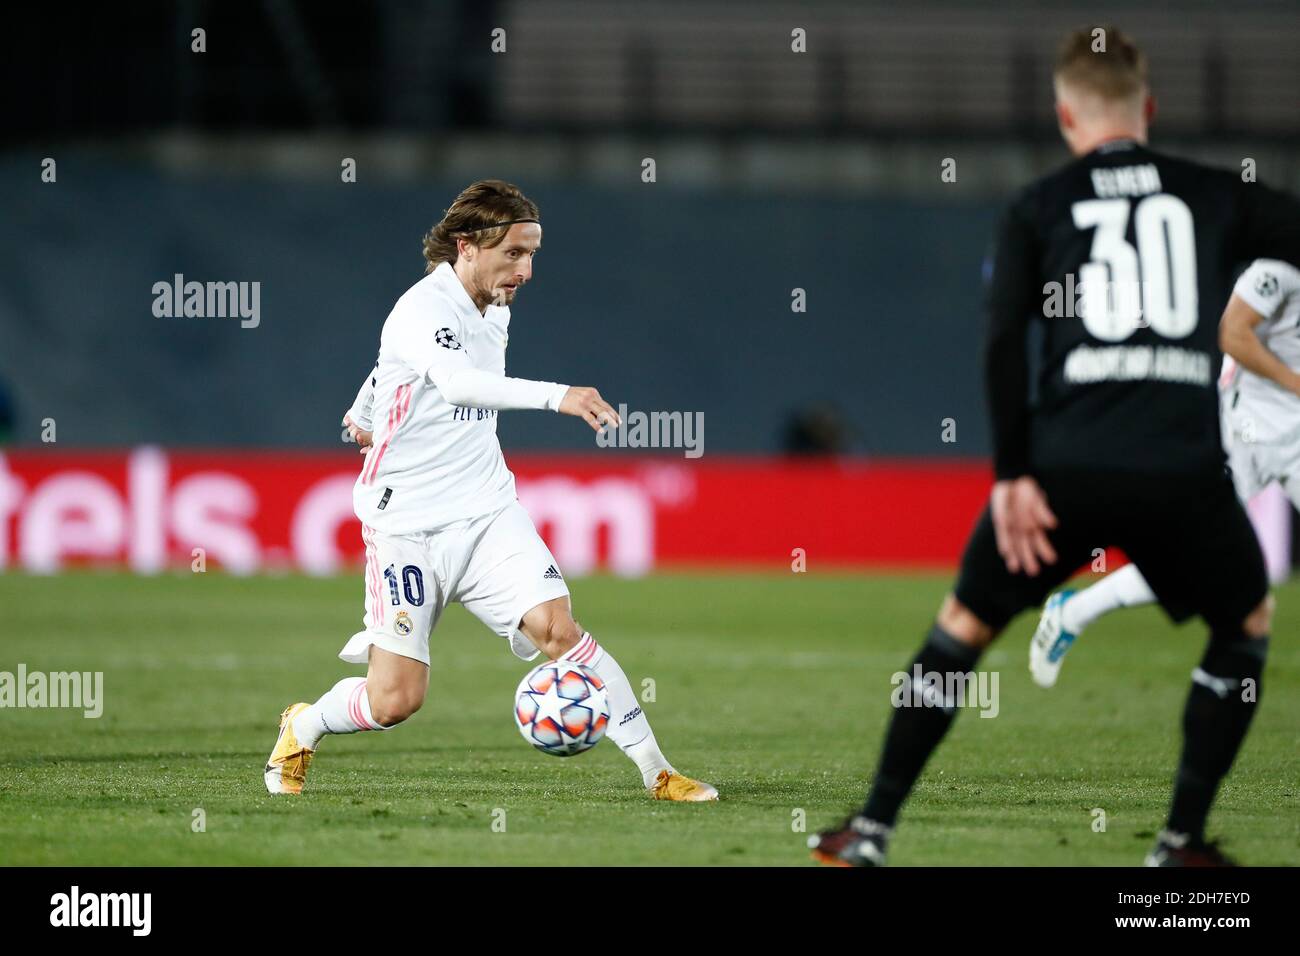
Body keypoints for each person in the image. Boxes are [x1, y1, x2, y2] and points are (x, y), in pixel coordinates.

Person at [810, 26, 1300, 866]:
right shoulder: (1218, 193)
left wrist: (1010, 477)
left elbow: (1004, 343)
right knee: (1245, 622)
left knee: (962, 628)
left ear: (1066, 115)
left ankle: (870, 830)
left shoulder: (1037, 206)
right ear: (1148, 108)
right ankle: (1179, 844)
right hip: (1182, 468)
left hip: (1063, 467)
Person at [266, 179, 718, 803]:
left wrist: (364, 407)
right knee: (396, 700)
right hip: (408, 527)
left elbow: (388, 366)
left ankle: (657, 771)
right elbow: (455, 382)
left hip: (487, 512)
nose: (525, 270)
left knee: (557, 629)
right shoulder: (423, 308)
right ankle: (305, 723)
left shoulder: (493, 308)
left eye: (532, 254)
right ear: (467, 246)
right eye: (513, 253)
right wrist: (557, 395)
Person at [1030, 259, 1300, 688]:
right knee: (1192, 560)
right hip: (1248, 429)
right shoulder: (1278, 267)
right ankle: (1074, 612)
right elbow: (1232, 333)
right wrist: (1295, 383)